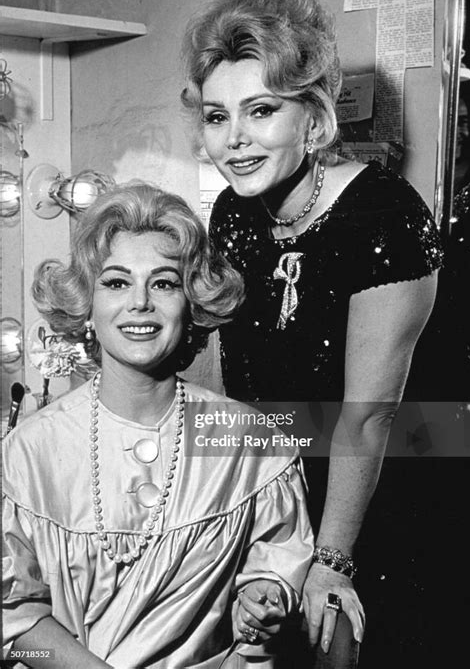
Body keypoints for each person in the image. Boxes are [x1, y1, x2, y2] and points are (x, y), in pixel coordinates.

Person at [180, 0, 444, 663]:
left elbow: (369, 416)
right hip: (272, 487)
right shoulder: (235, 215)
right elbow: (227, 381)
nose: (233, 139)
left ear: (314, 117)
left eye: (261, 110)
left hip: (364, 500)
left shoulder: (386, 217)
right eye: (217, 116)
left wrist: (332, 561)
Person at [2, 183, 315, 669]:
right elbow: (16, 626)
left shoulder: (250, 443)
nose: (140, 303)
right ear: (85, 304)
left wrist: (263, 597)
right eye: (116, 282)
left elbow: (275, 572)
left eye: (164, 283)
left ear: (192, 304)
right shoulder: (27, 453)